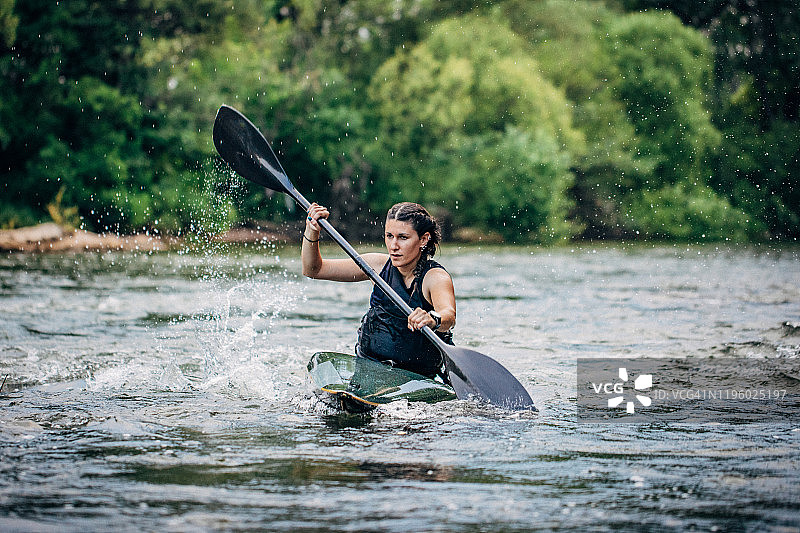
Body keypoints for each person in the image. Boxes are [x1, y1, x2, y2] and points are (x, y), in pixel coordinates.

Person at [302, 201, 456, 379]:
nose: (393, 245)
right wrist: (312, 230)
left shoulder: (435, 277)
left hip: (417, 375)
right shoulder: (377, 266)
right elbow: (313, 270)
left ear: (423, 239)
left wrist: (432, 318)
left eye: (403, 237)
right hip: (369, 364)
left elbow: (449, 316)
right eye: (389, 236)